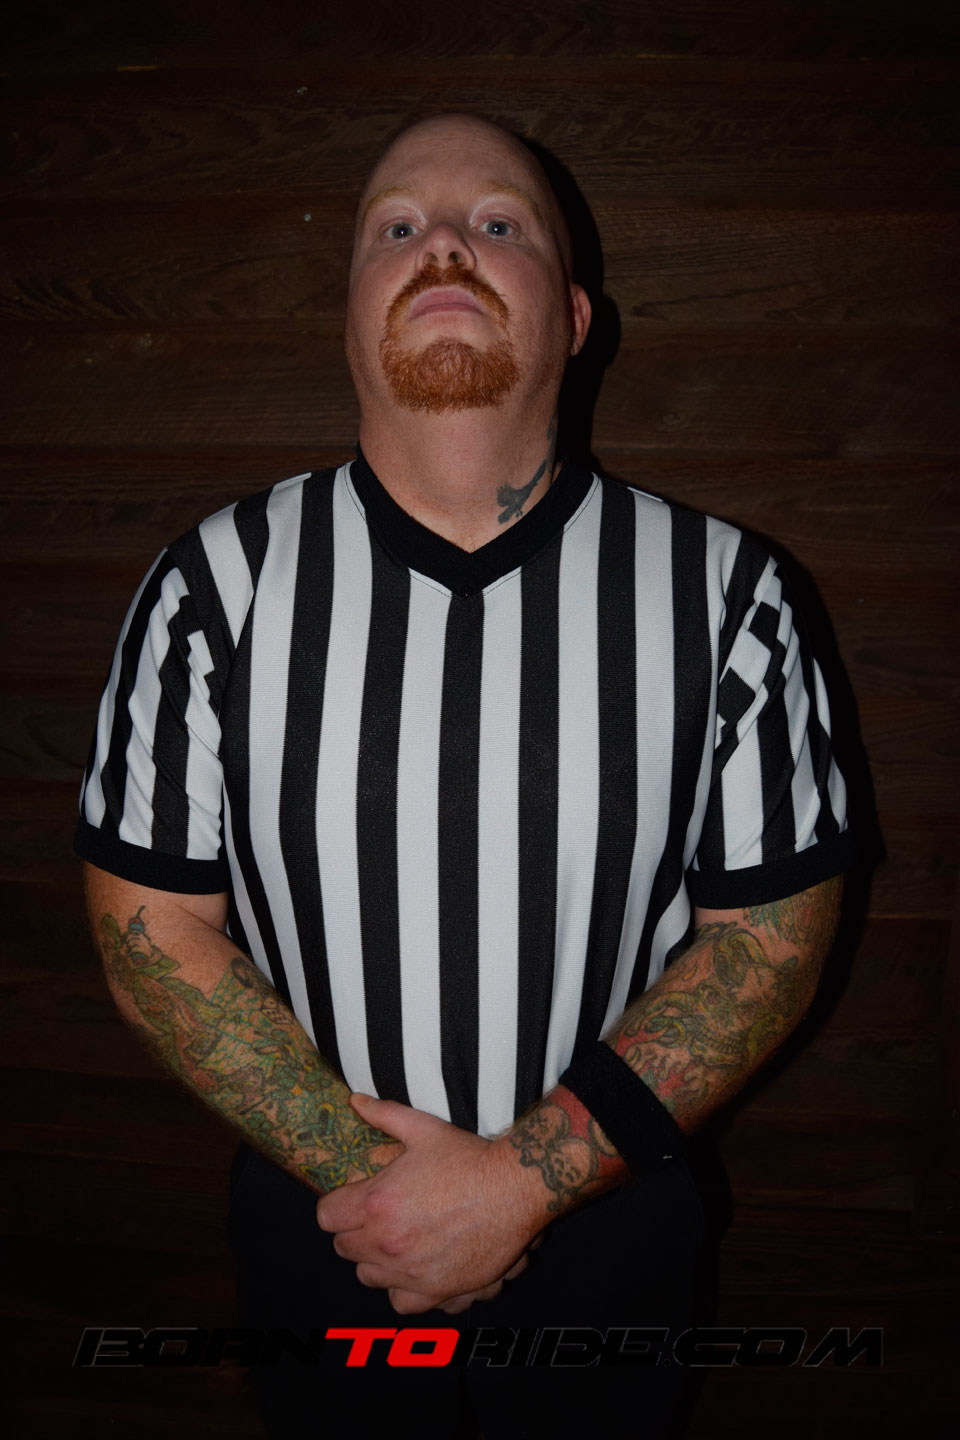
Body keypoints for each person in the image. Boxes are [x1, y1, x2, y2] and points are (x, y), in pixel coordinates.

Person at [76, 113, 856, 1437]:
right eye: (397, 226)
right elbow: (149, 927)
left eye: (499, 222)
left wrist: (520, 1187)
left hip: (614, 1242)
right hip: (328, 1236)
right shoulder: (211, 589)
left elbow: (771, 936)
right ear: (348, 315)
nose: (443, 243)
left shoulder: (731, 596)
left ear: (576, 314)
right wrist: (392, 1196)